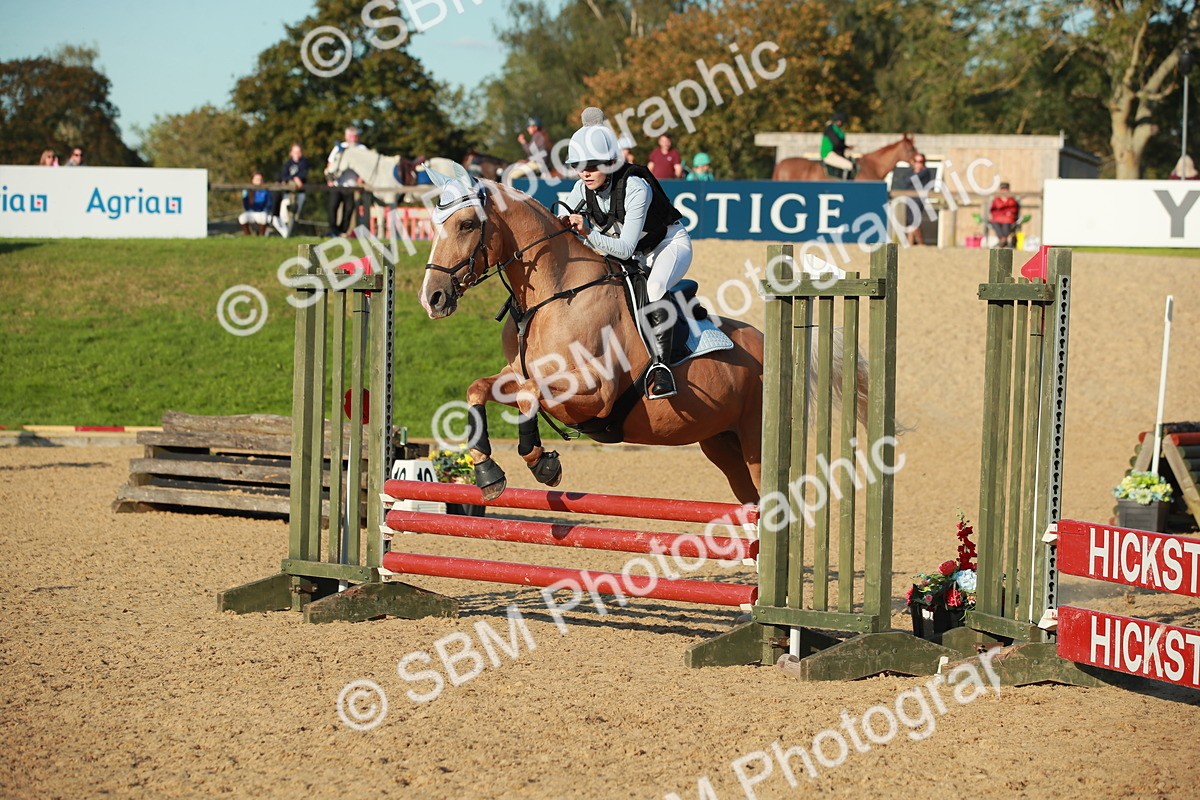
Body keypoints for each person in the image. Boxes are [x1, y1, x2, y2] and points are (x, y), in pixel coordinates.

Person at [559, 108, 690, 400]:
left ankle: (661, 368)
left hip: (668, 246)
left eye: (591, 165)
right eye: (579, 165)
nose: (584, 172)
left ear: (610, 161)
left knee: (655, 286)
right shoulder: (583, 187)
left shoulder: (635, 185)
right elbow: (560, 217)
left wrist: (588, 233)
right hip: (636, 256)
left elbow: (626, 248)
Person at [325, 126, 365, 237]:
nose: (353, 138)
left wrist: (360, 179)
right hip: (337, 184)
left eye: (355, 136)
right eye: (350, 136)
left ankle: (342, 231)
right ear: (346, 136)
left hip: (351, 185)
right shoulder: (340, 147)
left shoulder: (362, 149)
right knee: (333, 207)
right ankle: (333, 230)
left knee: (349, 210)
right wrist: (329, 179)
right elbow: (330, 163)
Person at [273, 143, 310, 237]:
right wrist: (295, 178)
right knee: (284, 214)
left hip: (300, 193)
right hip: (288, 192)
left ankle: (292, 234)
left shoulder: (304, 163)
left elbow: (304, 175)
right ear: (291, 153)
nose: (297, 154)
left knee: (295, 214)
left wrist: (295, 179)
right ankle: (287, 234)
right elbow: (283, 177)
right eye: (295, 152)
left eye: (299, 152)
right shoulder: (288, 164)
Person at [905, 153, 934, 245]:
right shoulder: (911, 173)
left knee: (914, 223)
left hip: (918, 201)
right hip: (909, 200)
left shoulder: (925, 172)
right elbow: (905, 180)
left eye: (921, 161)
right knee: (911, 223)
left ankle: (920, 244)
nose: (918, 164)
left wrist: (915, 173)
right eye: (916, 161)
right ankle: (910, 244)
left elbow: (911, 180)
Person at [821, 111, 853, 178]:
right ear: (839, 121)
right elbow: (837, 143)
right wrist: (846, 147)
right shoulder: (830, 128)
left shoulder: (836, 129)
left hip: (835, 153)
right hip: (828, 154)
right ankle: (844, 186)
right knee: (848, 165)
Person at [988, 181, 1021, 248]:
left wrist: (1004, 211)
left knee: (1006, 223)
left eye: (1005, 189)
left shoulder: (1012, 200)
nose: (1004, 191)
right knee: (995, 223)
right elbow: (993, 210)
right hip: (998, 219)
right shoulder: (996, 199)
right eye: (1002, 189)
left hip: (1008, 219)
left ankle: (1002, 241)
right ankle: (1003, 240)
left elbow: (1013, 210)